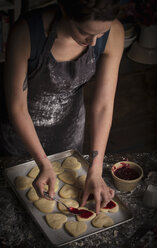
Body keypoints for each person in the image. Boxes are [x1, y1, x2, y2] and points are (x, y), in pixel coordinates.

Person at [0, 0, 124, 213]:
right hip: (19, 138)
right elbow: (17, 107)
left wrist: (94, 170)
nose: (93, 42)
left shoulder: (115, 33)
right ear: (65, 8)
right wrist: (43, 163)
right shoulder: (27, 32)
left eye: (100, 34)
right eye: (85, 32)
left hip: (69, 134)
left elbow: (103, 105)